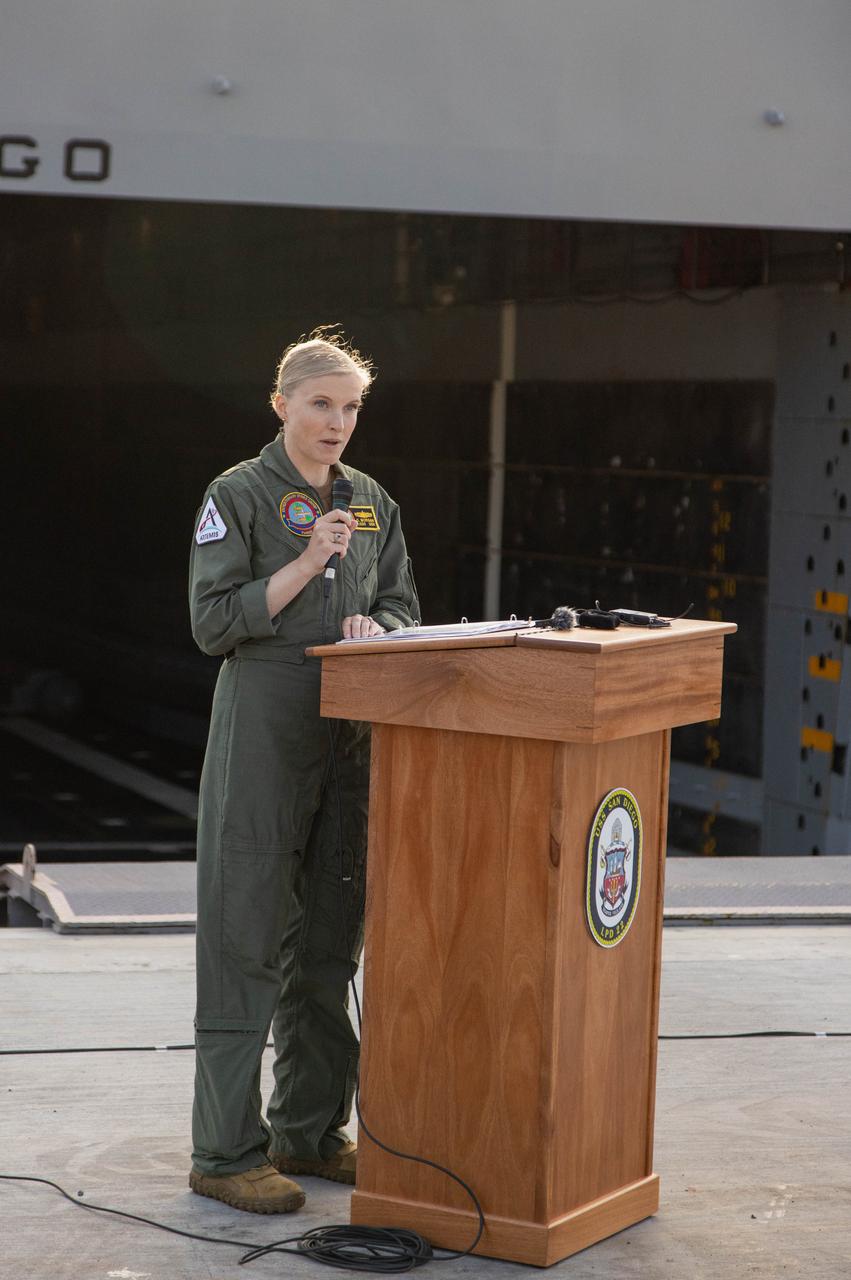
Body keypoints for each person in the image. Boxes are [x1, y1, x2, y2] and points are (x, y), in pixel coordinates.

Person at [187, 329, 420, 1214]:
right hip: (265, 728)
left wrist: (382, 628)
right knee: (245, 936)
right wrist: (308, 560)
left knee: (327, 941)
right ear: (280, 403)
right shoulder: (237, 495)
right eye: (320, 403)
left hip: (350, 732)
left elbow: (399, 597)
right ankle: (224, 1150)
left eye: (351, 407)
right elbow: (214, 623)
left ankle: (309, 1132)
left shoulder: (372, 504)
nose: (336, 422)